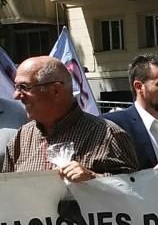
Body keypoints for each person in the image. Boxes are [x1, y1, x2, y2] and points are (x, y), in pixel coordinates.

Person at [2, 56, 139, 179]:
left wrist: (94, 178)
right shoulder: (21, 137)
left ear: (55, 90)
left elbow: (134, 192)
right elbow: (8, 193)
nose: (16, 95)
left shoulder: (109, 135)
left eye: (24, 87)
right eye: (16, 87)